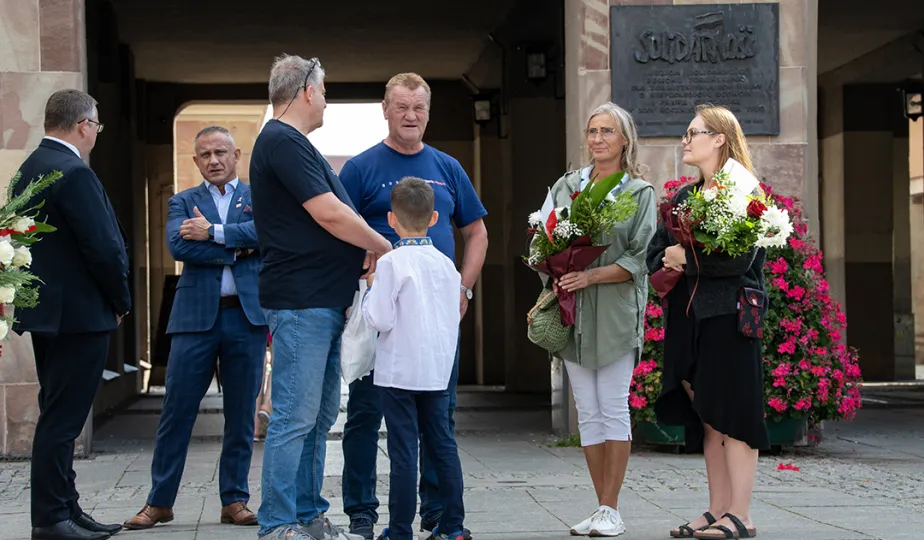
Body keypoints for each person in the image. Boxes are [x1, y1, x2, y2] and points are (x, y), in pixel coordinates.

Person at [339, 72, 488, 540]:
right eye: (401, 107)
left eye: (418, 108)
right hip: (382, 326)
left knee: (438, 421)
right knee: (365, 415)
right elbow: (336, 229)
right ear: (385, 108)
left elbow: (477, 232)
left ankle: (436, 512)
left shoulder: (447, 167)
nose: (410, 116)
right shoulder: (359, 169)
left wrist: (463, 290)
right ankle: (362, 510)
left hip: (437, 322)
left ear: (428, 111)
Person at [250, 54, 392, 540]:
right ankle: (277, 523)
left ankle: (309, 514)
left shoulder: (295, 144)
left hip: (322, 300)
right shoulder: (281, 140)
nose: (328, 100)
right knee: (294, 415)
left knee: (319, 414)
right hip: (300, 302)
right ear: (307, 90)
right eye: (326, 91)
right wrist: (382, 245)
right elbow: (329, 213)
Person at [122, 126, 267, 530]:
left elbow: (270, 236)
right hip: (194, 320)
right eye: (205, 154)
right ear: (196, 161)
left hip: (246, 316)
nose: (214, 160)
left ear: (237, 154)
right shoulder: (183, 201)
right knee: (176, 412)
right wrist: (241, 247)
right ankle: (160, 502)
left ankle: (234, 501)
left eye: (221, 152)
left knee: (241, 414)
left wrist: (215, 233)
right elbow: (179, 247)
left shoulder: (259, 198)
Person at [646, 104, 768, 540]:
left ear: (718, 138)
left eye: (692, 132)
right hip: (688, 320)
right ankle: (718, 510)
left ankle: (742, 514)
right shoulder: (682, 198)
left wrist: (688, 260)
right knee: (710, 417)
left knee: (734, 413)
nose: (685, 140)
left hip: (730, 316)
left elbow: (740, 260)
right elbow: (653, 254)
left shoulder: (745, 193)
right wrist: (671, 257)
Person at [13, 89, 129, 540]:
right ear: (84, 125)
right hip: (80, 317)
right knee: (62, 421)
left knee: (57, 412)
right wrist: (119, 300)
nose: (97, 132)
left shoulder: (30, 168)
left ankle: (68, 508)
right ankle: (50, 519)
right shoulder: (73, 172)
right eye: (97, 125)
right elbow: (103, 248)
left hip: (50, 316)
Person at [536, 102, 656, 537]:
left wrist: (589, 275)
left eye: (607, 131)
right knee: (587, 413)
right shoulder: (567, 186)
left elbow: (639, 258)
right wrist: (547, 261)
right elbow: (542, 236)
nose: (598, 138)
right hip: (572, 313)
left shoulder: (639, 193)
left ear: (625, 139)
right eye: (592, 131)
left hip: (615, 313)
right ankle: (601, 506)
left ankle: (612, 507)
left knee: (613, 408)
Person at [361, 178, 466, 540]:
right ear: (434, 217)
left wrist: (371, 288)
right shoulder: (446, 265)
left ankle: (401, 529)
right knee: (443, 445)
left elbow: (380, 319)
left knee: (404, 452)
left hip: (399, 372)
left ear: (391, 220)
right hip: (437, 370)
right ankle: (452, 527)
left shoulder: (391, 264)